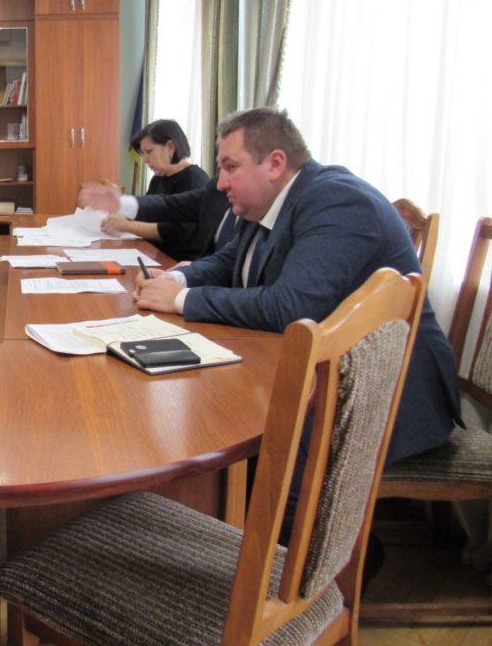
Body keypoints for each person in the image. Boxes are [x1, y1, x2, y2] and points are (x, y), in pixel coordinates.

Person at [134, 107, 461, 469]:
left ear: (275, 164)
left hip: (384, 401)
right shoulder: (268, 200)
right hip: (318, 371)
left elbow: (291, 306)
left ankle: (251, 507)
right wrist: (177, 279)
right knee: (209, 407)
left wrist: (182, 299)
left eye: (230, 167)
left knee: (229, 428)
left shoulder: (337, 202)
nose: (221, 183)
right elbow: (230, 259)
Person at [98, 120, 210, 259]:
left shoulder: (195, 179)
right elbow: (149, 214)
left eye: (149, 152)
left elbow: (178, 232)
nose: (145, 160)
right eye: (143, 153)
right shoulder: (159, 177)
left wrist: (127, 226)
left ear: (170, 147)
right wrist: (122, 217)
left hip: (177, 260)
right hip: (153, 253)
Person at [79, 174, 236, 262]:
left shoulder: (195, 178)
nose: (221, 183)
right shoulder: (217, 187)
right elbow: (170, 205)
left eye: (231, 166)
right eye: (220, 166)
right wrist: (119, 203)